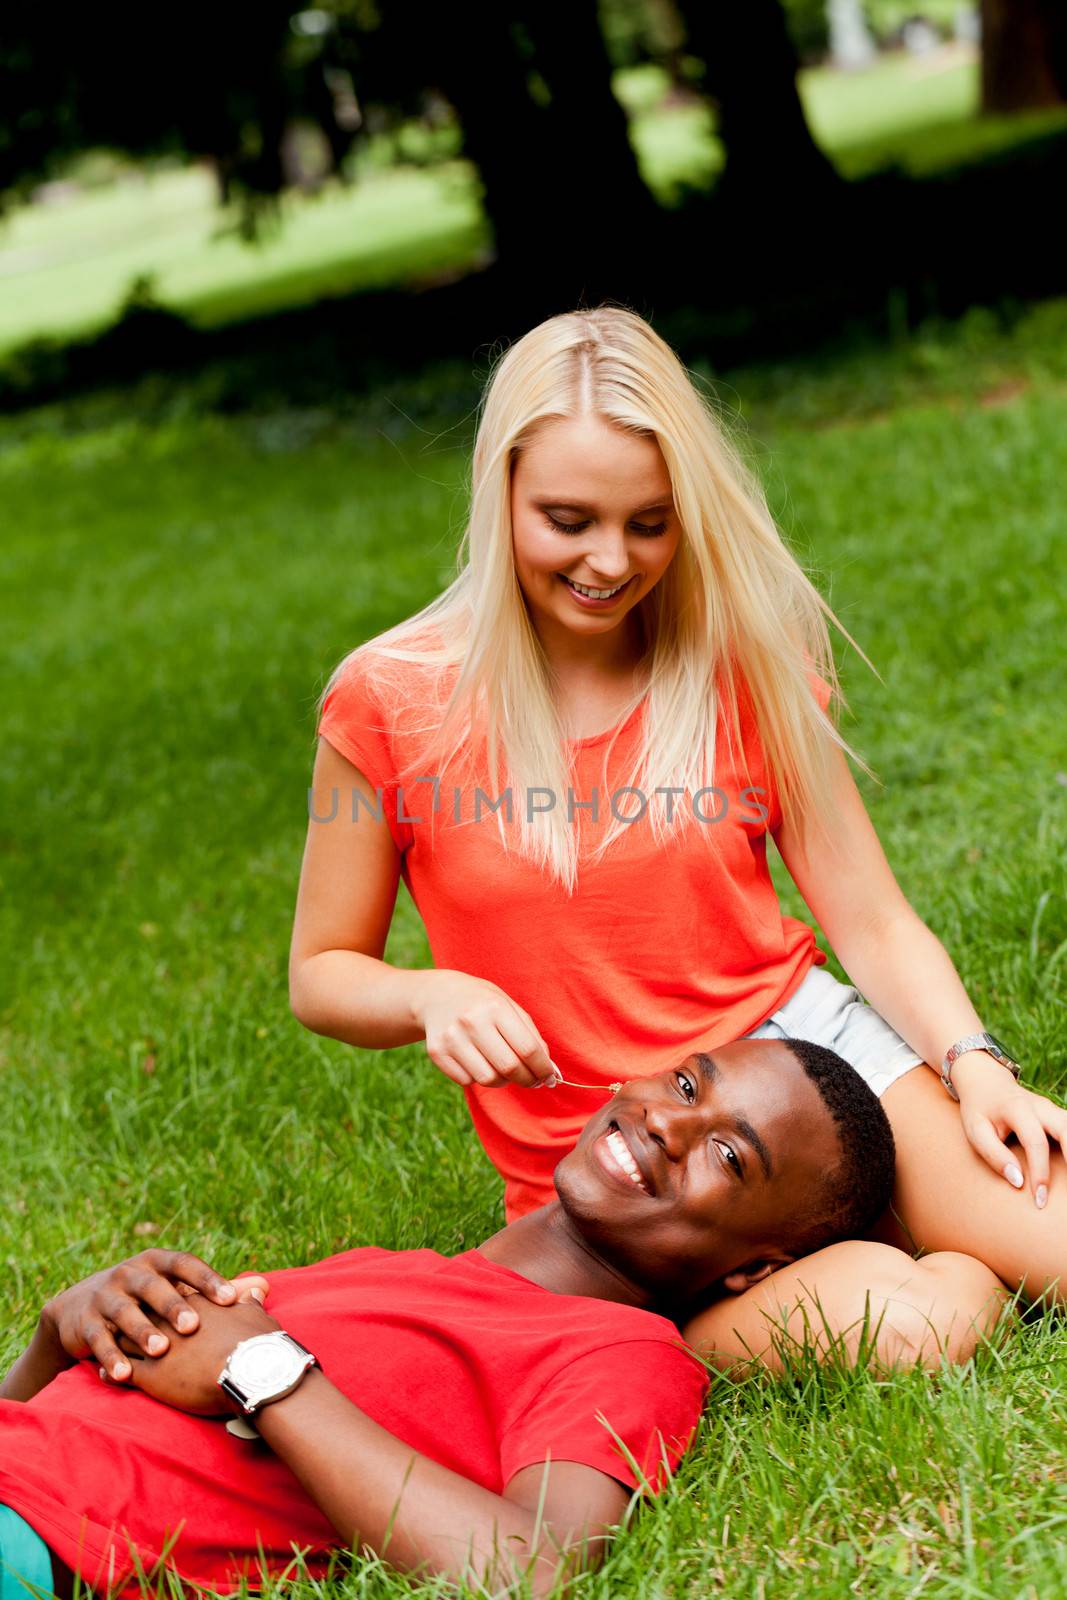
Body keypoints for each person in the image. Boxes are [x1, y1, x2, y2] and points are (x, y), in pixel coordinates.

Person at [290, 306, 1066, 1347]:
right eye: (568, 519)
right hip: (622, 1167)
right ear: (499, 488)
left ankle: (893, 1212)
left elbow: (870, 920)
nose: (609, 560)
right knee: (906, 1330)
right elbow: (323, 971)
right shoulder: (387, 699)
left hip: (800, 1067)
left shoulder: (737, 667)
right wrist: (431, 993)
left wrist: (971, 1065)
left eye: (648, 521)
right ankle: (884, 1259)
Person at [1, 1040, 987, 1600]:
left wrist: (266, 1371)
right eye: (688, 1083)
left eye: (728, 1159)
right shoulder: (387, 1270)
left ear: (751, 1269)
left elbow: (531, 1571)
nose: (668, 1123)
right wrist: (64, 1332)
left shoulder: (619, 1354)